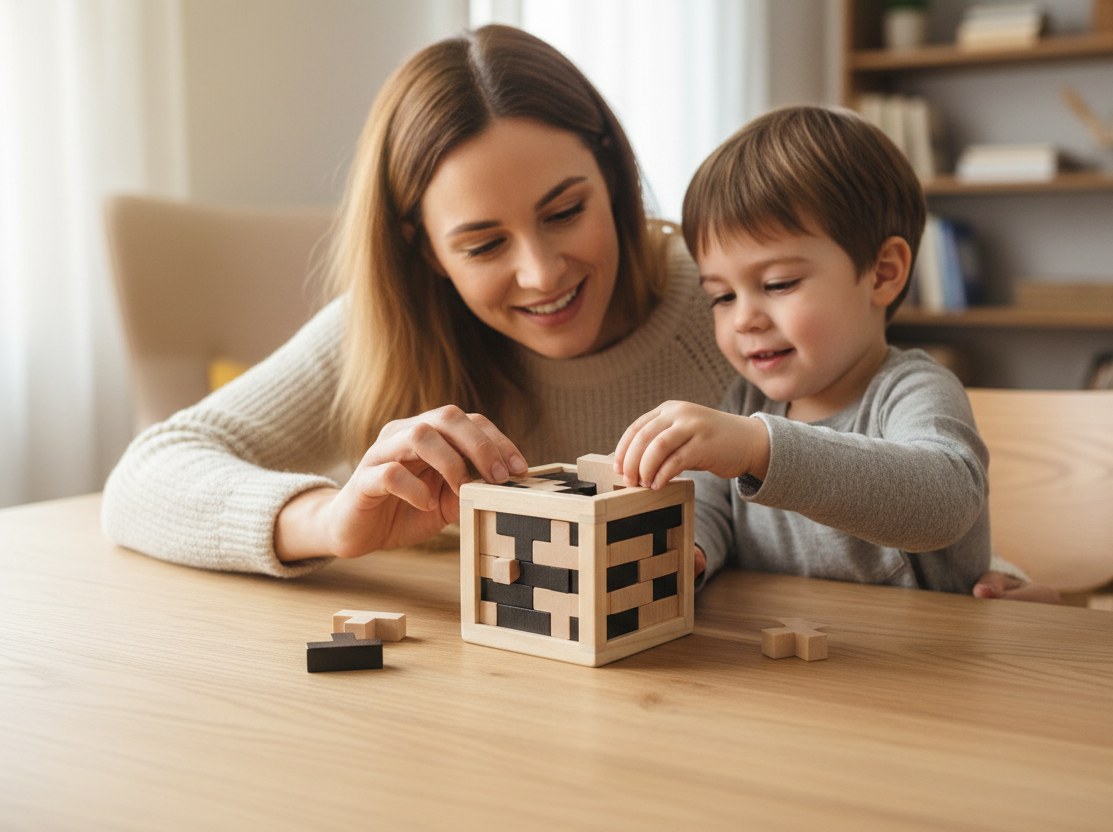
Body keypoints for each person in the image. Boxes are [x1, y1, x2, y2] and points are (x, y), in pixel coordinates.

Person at [100, 25, 1051, 601]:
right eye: (480, 244)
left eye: (566, 211)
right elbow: (145, 477)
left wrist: (982, 590)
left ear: (615, 173)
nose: (541, 271)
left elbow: (912, 488)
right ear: (424, 250)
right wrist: (328, 522)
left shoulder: (728, 310)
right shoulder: (396, 321)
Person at [614, 105, 1053, 599]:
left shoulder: (912, 389)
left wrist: (761, 449)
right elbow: (713, 511)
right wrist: (690, 552)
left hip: (928, 667)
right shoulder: (746, 402)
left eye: (778, 283)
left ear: (883, 273)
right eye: (722, 296)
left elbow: (947, 498)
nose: (744, 319)